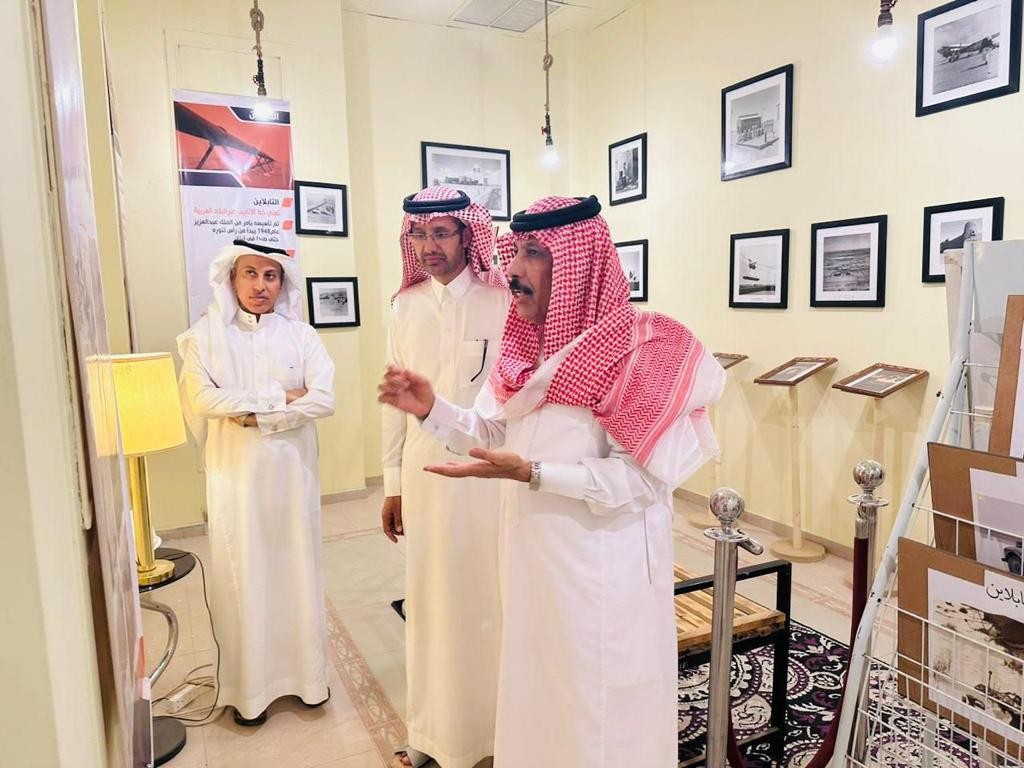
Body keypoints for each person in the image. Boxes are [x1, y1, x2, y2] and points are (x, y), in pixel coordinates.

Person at [379, 195, 725, 767]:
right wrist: (431, 408)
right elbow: (492, 431)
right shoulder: (525, 347)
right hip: (534, 565)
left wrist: (535, 474)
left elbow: (639, 482)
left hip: (600, 574)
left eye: (534, 253)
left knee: (596, 714)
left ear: (578, 266)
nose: (513, 268)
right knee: (540, 702)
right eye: (514, 251)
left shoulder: (643, 349)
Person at [177, 239, 335, 726]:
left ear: (281, 282)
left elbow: (324, 399)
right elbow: (203, 400)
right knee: (244, 579)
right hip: (237, 482)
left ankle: (308, 683)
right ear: (232, 278)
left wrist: (254, 416)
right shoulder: (204, 337)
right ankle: (250, 695)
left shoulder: (302, 335)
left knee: (296, 574)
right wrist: (281, 398)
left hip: (292, 479)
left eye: (270, 276)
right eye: (250, 273)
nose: (260, 285)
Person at [381, 186, 509, 768]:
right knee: (430, 602)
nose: (428, 245)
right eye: (419, 234)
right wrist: (392, 483)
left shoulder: (501, 300)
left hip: (486, 475)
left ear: (467, 235)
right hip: (423, 474)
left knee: (486, 602)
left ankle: (489, 736)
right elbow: (393, 400)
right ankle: (430, 734)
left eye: (441, 233)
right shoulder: (404, 306)